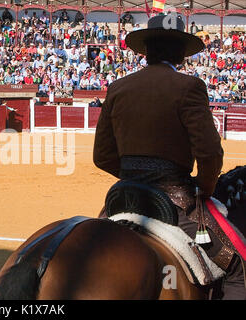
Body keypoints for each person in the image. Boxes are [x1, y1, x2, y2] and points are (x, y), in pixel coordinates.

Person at [93, 14, 245, 300]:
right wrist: (203, 188)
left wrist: (134, 175)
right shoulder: (190, 87)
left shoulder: (118, 87)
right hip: (175, 198)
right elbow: (210, 154)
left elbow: (102, 156)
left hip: (124, 194)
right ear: (180, 54)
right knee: (237, 265)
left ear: (146, 51)